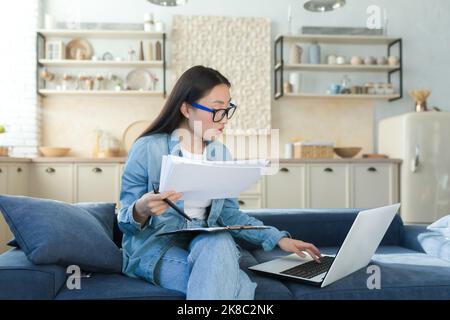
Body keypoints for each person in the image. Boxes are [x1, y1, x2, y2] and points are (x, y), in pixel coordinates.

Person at [118, 65, 322, 300]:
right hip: (156, 248)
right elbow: (125, 221)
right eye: (216, 110)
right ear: (186, 108)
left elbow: (230, 215)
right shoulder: (148, 148)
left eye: (228, 110)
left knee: (220, 239)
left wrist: (279, 238)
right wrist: (141, 209)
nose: (224, 119)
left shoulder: (221, 153)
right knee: (235, 284)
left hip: (208, 243)